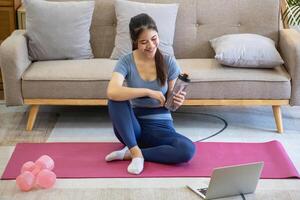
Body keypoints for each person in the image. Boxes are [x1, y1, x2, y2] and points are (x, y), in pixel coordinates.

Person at [105, 13, 195, 175]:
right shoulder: (126, 61)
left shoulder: (169, 62)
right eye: (144, 42)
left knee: (187, 149)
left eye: (154, 39)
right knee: (114, 99)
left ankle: (130, 154)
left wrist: (177, 101)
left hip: (161, 128)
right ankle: (136, 152)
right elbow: (112, 90)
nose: (151, 45)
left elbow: (171, 105)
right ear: (135, 42)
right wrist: (148, 91)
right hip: (132, 129)